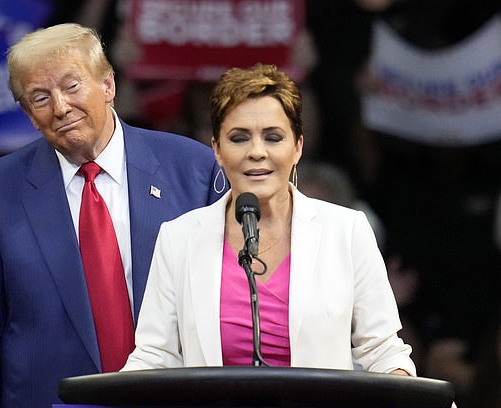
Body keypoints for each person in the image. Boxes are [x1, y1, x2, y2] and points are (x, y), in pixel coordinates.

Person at [0, 23, 222, 408]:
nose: (60, 107)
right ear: (27, 113)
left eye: (72, 87)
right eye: (40, 98)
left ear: (108, 85)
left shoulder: (193, 170)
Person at [122, 63, 415, 376]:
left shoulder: (347, 231)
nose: (257, 152)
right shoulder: (179, 238)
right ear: (217, 150)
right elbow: (155, 357)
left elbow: (383, 352)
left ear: (297, 147)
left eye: (273, 137)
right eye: (239, 138)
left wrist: (417, 407)